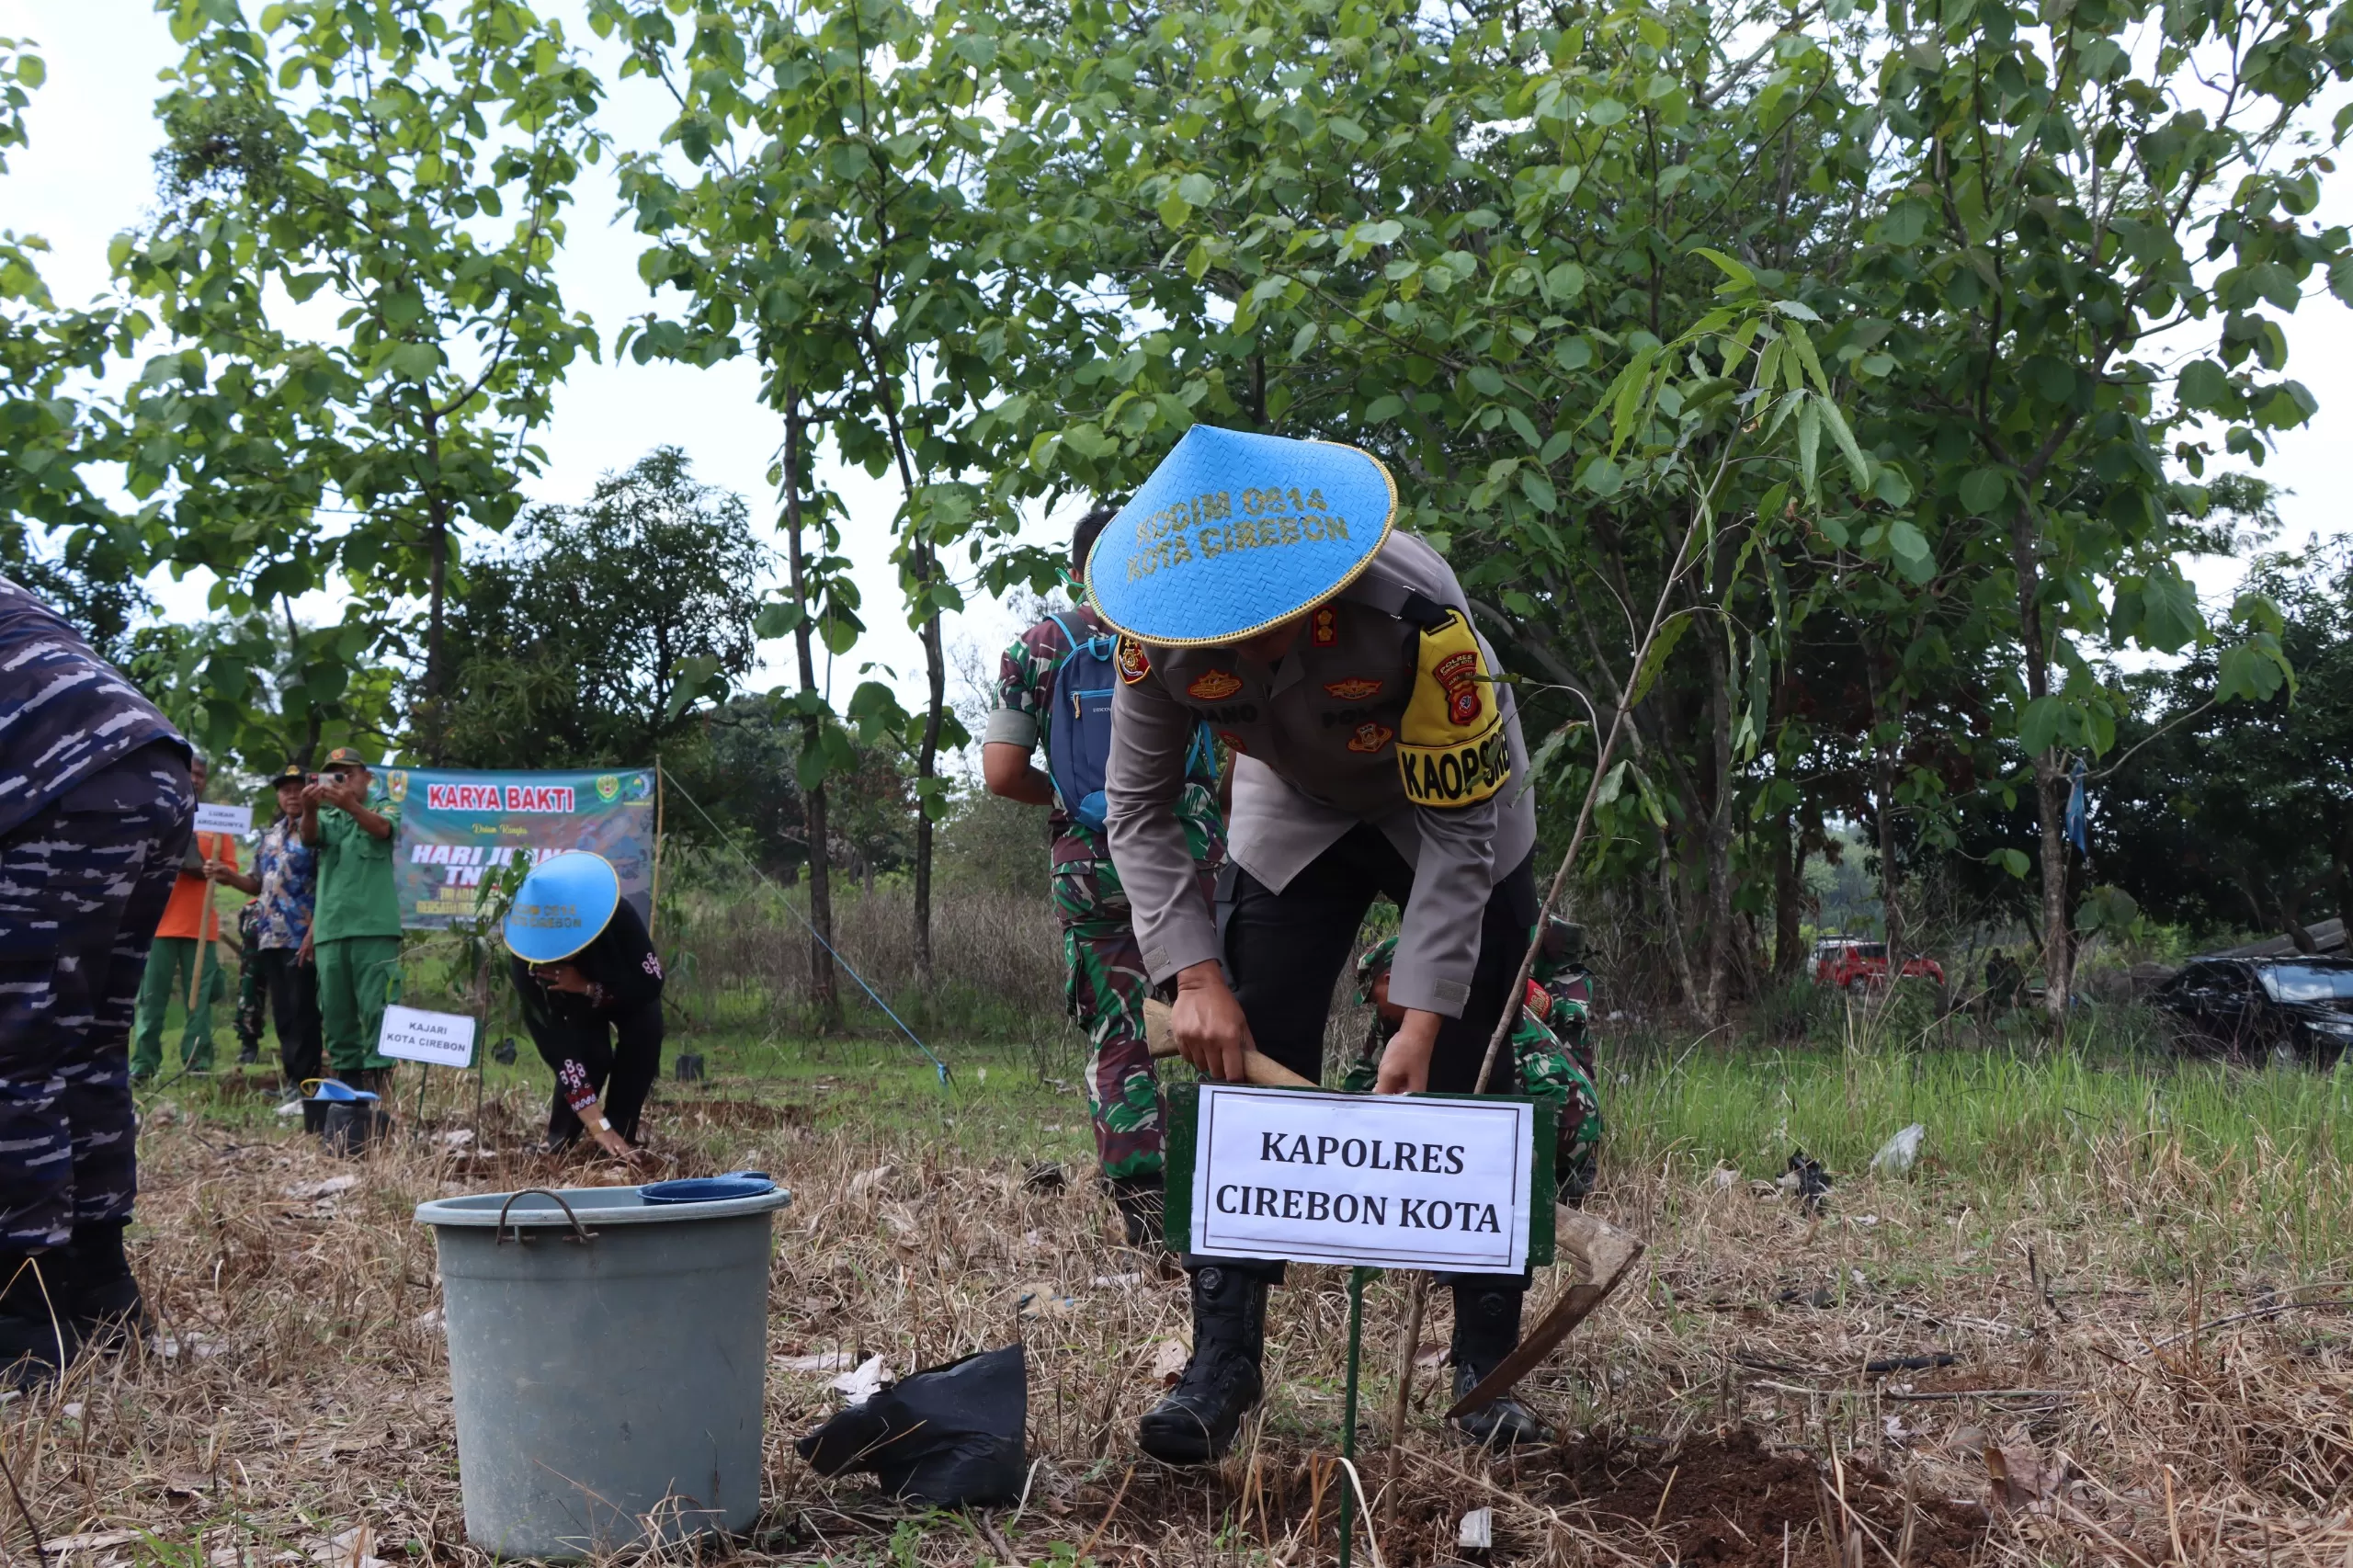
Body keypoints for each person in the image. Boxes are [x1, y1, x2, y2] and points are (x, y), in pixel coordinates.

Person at [1096, 425, 1550, 1461]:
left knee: (1475, 1059)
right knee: (1244, 1047)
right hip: (1293, 800)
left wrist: (1423, 1014)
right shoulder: (1149, 629)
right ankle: (1222, 1361)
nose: (1254, 651)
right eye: (1229, 633)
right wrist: (1195, 975)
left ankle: (1485, 1370)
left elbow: (1460, 829)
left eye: (1278, 623)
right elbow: (1138, 809)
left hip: (1448, 804)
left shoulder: (1417, 614)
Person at [983, 506, 1226, 1247]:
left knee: (1118, 1031)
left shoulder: (1041, 646)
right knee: (1216, 1017)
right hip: (1189, 854)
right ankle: (1236, 1192)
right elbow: (1238, 753)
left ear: (1078, 567)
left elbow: (1000, 773)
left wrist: (1072, 800)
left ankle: (1148, 1213)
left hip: (1090, 864)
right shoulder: (1193, 633)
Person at [0, 574, 193, 1383]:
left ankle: (23, 1320)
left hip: (52, 779)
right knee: (87, 1043)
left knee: (15, 1048)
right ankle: (103, 1297)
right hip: (149, 771)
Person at [1347, 936, 1603, 1206]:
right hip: (1534, 1118)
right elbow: (1363, 1075)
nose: (1376, 1010)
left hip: (1561, 1120)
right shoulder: (1395, 1016)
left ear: (1391, 979)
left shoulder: (1463, 1006)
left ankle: (1565, 1176)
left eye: (1374, 999)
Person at [503, 851, 665, 1161]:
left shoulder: (617, 916)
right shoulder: (526, 962)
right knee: (592, 1057)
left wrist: (590, 987)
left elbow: (651, 984)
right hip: (572, 1003)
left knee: (644, 1039)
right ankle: (561, 1144)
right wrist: (597, 1125)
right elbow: (563, 1056)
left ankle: (621, 1141)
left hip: (627, 991)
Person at [208, 765, 321, 1091]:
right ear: (278, 796)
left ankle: (308, 1083)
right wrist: (228, 877)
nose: (291, 795)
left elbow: (327, 882)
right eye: (285, 790)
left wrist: (314, 932)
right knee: (283, 1013)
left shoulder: (317, 832)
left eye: (298, 788)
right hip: (269, 936)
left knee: (304, 1012)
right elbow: (256, 884)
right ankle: (291, 1081)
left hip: (303, 936)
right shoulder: (270, 836)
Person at [128, 754, 235, 1081]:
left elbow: (231, 869)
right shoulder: (157, 812)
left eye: (201, 774)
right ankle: (144, 1066)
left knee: (199, 1002)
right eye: (190, 773)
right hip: (158, 924)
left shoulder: (218, 822)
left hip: (202, 927)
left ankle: (197, 1064)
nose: (196, 779)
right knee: (150, 1000)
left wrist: (215, 869)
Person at [301, 747, 401, 1091]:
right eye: (334, 774)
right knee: (336, 1013)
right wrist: (310, 809)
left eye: (347, 774)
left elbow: (384, 829)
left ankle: (380, 1088)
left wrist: (352, 806)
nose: (340, 781)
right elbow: (308, 837)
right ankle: (346, 1088)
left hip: (375, 928)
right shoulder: (327, 815)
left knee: (378, 1010)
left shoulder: (383, 805)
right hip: (331, 930)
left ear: (366, 777)